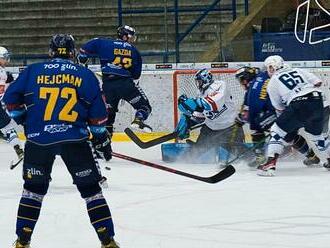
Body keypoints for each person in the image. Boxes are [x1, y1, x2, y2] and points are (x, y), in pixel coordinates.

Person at [3, 34, 119, 248]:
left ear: (51, 52)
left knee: (32, 191)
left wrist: (26, 122)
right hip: (75, 140)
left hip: (39, 141)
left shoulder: (32, 71)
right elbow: (98, 118)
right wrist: (101, 139)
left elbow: (9, 101)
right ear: (73, 52)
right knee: (92, 192)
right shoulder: (85, 75)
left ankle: (22, 241)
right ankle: (108, 241)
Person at [235, 66, 322, 168]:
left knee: (257, 126)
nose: (242, 83)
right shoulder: (261, 80)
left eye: (242, 80)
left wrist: (242, 119)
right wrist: (243, 117)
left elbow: (252, 111)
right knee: (290, 136)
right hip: (294, 109)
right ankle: (311, 156)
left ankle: (260, 156)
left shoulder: (254, 87)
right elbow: (249, 109)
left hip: (280, 111)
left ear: (248, 77)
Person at [257, 55, 330, 176]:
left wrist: (291, 102)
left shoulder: (273, 81)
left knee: (276, 130)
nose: (268, 71)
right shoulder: (298, 70)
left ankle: (269, 164)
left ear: (272, 67)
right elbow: (318, 82)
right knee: (316, 136)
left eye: (269, 68)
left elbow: (279, 107)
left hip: (298, 104)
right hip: (317, 101)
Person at [78, 25, 152, 140]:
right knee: (144, 106)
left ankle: (104, 144)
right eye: (131, 37)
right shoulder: (134, 51)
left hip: (108, 86)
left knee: (108, 116)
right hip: (126, 85)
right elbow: (136, 75)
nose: (132, 40)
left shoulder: (104, 43)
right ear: (125, 36)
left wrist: (83, 61)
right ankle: (138, 120)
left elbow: (84, 50)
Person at [172, 68, 245, 163]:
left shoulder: (220, 85)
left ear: (206, 79)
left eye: (199, 81)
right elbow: (201, 116)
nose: (198, 84)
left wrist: (192, 103)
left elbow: (212, 104)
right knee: (194, 153)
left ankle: (255, 160)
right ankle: (180, 162)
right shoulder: (201, 93)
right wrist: (189, 119)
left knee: (241, 154)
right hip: (210, 130)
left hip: (230, 128)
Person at [0, 46, 24, 161]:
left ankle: (19, 151)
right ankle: (19, 150)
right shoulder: (2, 72)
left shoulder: (3, 72)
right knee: (8, 128)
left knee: (8, 128)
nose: (6, 60)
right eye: (4, 57)